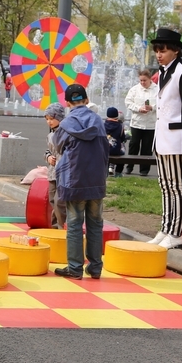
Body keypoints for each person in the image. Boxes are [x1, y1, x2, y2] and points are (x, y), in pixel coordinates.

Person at [148, 28, 182, 250]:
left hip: (178, 139)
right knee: (165, 185)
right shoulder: (164, 71)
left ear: (176, 51)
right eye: (156, 50)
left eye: (163, 50)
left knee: (177, 186)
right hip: (163, 138)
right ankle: (166, 227)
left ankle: (175, 232)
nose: (158, 54)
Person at [52, 84, 108, 279]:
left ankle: (75, 268)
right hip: (96, 179)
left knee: (75, 223)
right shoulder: (99, 122)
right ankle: (95, 267)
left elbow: (58, 147)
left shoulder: (66, 124)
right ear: (86, 99)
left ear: (67, 103)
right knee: (96, 223)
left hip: (74, 180)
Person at [124, 69, 158, 176]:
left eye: (145, 80)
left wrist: (152, 107)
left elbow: (162, 103)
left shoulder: (157, 89)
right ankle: (129, 167)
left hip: (150, 124)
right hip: (137, 123)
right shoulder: (134, 89)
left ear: (150, 79)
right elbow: (128, 102)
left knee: (147, 148)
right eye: (141, 81)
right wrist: (138, 108)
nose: (143, 83)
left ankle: (144, 170)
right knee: (133, 145)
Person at [44, 102, 67, 229]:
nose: (49, 122)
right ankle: (54, 225)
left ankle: (61, 224)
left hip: (63, 172)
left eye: (52, 119)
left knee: (59, 202)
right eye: (47, 119)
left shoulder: (65, 133)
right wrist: (47, 157)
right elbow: (48, 151)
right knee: (53, 200)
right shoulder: (50, 135)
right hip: (52, 172)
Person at [104, 107, 126, 177]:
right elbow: (123, 138)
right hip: (116, 151)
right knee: (123, 154)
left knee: (105, 157)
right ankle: (118, 172)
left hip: (104, 150)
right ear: (117, 115)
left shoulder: (103, 125)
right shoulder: (120, 126)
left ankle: (105, 171)